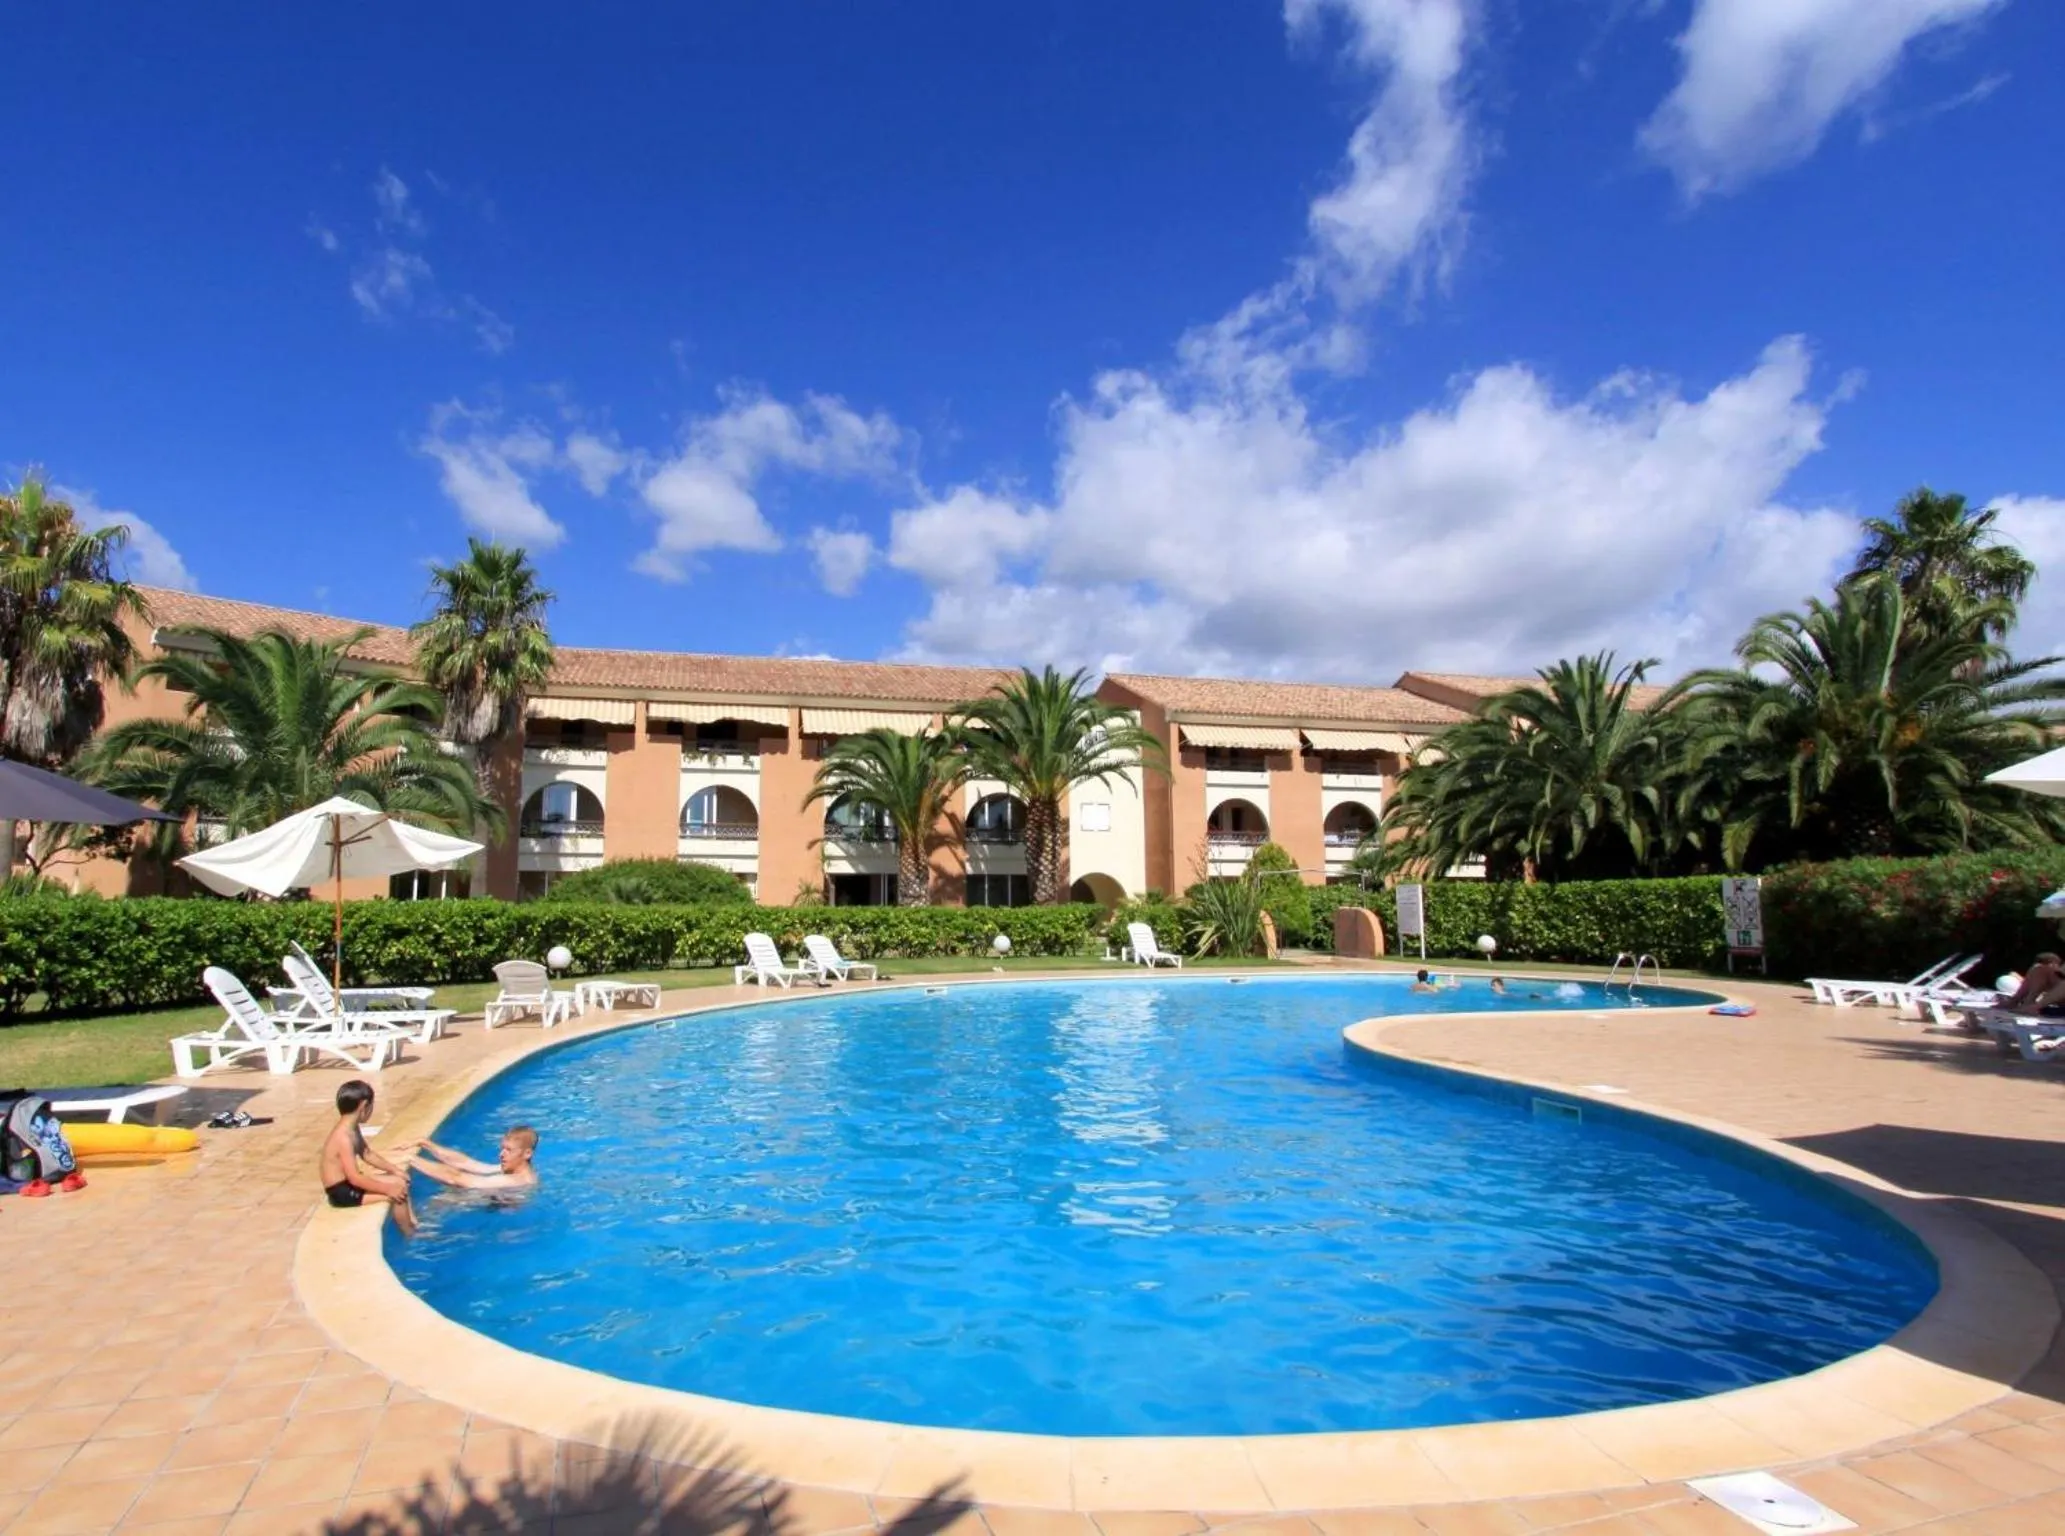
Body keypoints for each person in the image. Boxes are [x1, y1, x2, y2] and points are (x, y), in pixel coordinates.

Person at [320, 1081, 417, 1236]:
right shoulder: (343, 1137)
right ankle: (409, 1235)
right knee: (398, 1194)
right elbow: (354, 1178)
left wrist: (394, 1170)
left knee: (400, 1181)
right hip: (341, 1193)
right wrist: (387, 1189)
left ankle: (413, 1223)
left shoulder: (351, 1127)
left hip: (347, 1185)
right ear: (364, 1106)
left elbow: (366, 1153)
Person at [410, 1126, 541, 1191]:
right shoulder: (512, 1169)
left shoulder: (518, 1181)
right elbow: (466, 1163)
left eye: (509, 1150)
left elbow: (457, 1178)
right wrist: (427, 1144)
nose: (501, 1154)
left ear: (527, 1154)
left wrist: (410, 1159)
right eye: (502, 1148)